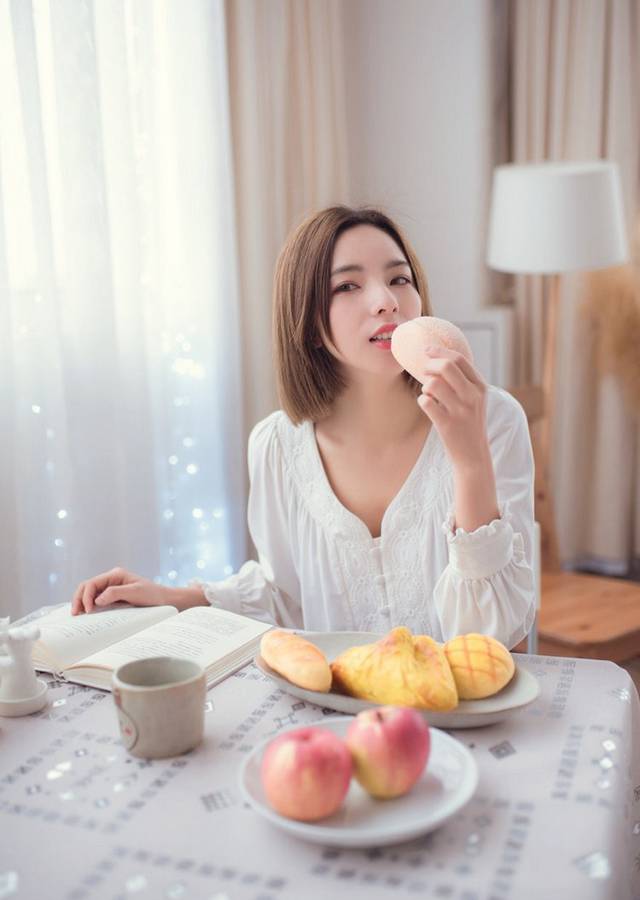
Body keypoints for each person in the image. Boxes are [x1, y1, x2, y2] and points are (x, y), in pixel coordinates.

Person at [72, 206, 536, 648]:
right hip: (335, 718)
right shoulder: (276, 446)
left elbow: (500, 636)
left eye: (399, 279)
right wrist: (171, 598)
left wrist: (469, 458)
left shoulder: (492, 418)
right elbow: (286, 599)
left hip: (460, 719)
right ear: (310, 322)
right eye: (347, 286)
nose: (387, 301)